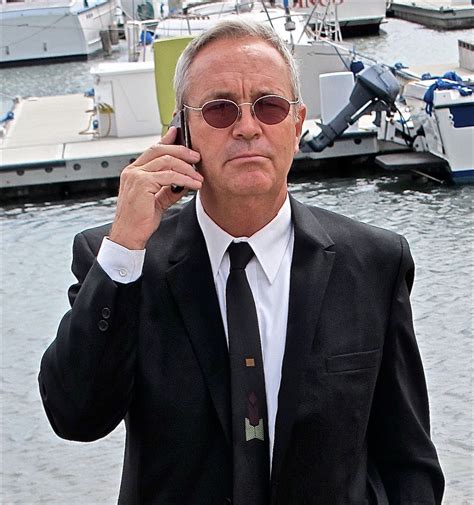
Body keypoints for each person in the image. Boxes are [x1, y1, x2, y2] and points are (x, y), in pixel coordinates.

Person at [39, 19, 444, 504]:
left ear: (297, 124)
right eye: (220, 109)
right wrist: (124, 246)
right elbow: (75, 417)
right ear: (183, 131)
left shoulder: (374, 263)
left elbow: (408, 463)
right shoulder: (123, 264)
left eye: (269, 106)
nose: (247, 127)